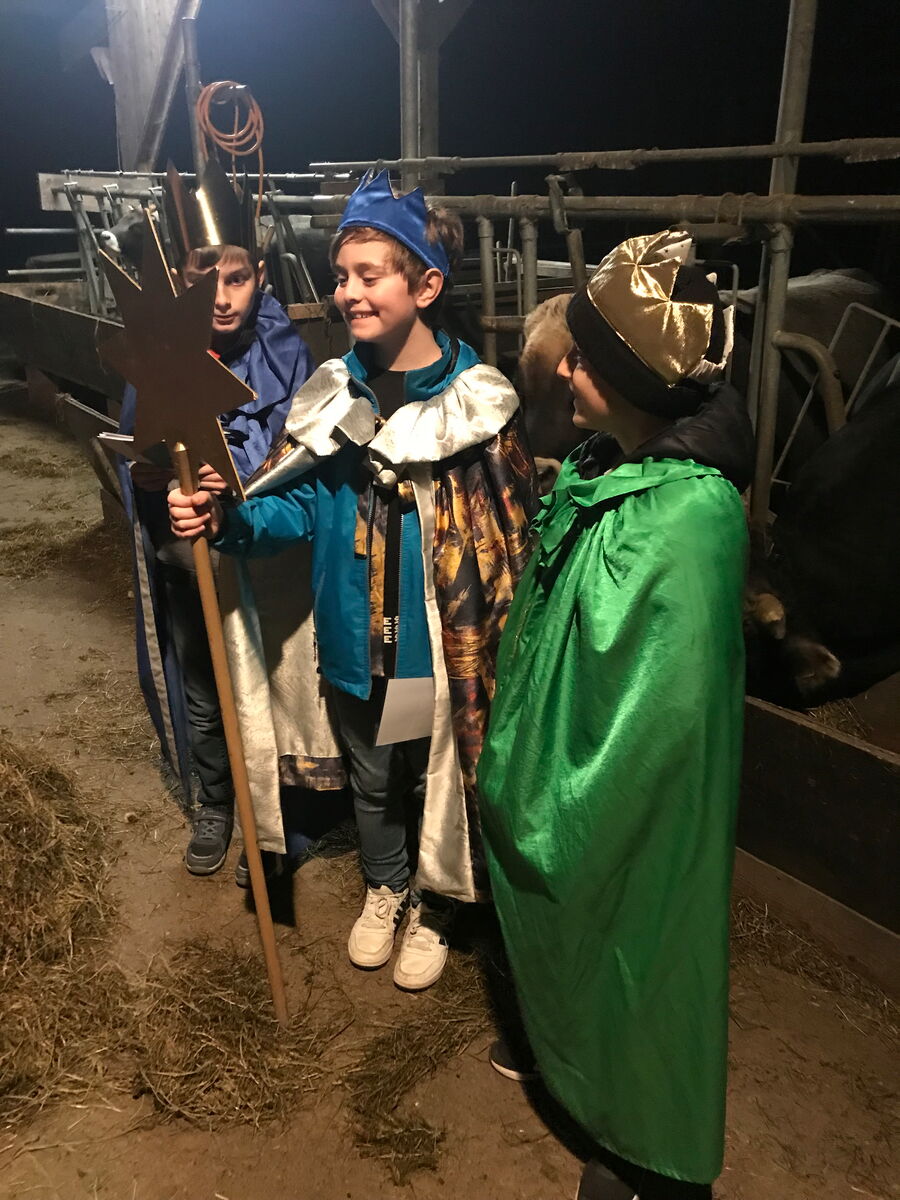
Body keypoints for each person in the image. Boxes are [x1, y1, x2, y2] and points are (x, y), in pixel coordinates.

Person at [169, 169, 537, 989]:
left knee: (432, 772)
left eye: (369, 276)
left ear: (427, 284)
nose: (347, 293)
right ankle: (387, 884)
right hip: (352, 641)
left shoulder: (479, 410)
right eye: (342, 277)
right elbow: (293, 508)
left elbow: (509, 546)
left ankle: (436, 904)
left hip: (434, 653)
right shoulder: (331, 397)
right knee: (371, 778)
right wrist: (229, 520)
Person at [478, 230, 754, 1199]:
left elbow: (652, 725)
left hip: (642, 797)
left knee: (644, 936)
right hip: (582, 750)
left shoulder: (687, 518)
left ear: (632, 376)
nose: (569, 368)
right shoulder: (616, 465)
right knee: (586, 937)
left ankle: (646, 1149)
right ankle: (578, 1066)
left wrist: (544, 790)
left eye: (586, 358)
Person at [118, 159, 341, 879]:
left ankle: (274, 820)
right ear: (180, 273)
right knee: (204, 687)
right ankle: (217, 804)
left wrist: (240, 481)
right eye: (204, 272)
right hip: (187, 557)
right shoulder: (158, 351)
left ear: (263, 275)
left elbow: (300, 459)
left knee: (272, 687)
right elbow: (137, 438)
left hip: (262, 566)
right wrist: (148, 475)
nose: (220, 294)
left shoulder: (288, 353)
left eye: (237, 276)